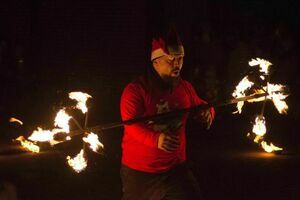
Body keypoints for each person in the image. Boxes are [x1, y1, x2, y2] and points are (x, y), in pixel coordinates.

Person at [120, 26, 215, 200]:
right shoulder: (136, 90)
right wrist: (156, 139)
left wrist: (208, 111)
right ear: (155, 62)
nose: (177, 64)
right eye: (170, 60)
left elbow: (199, 105)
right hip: (141, 171)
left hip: (175, 168)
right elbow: (131, 125)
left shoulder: (184, 87)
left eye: (180, 59)